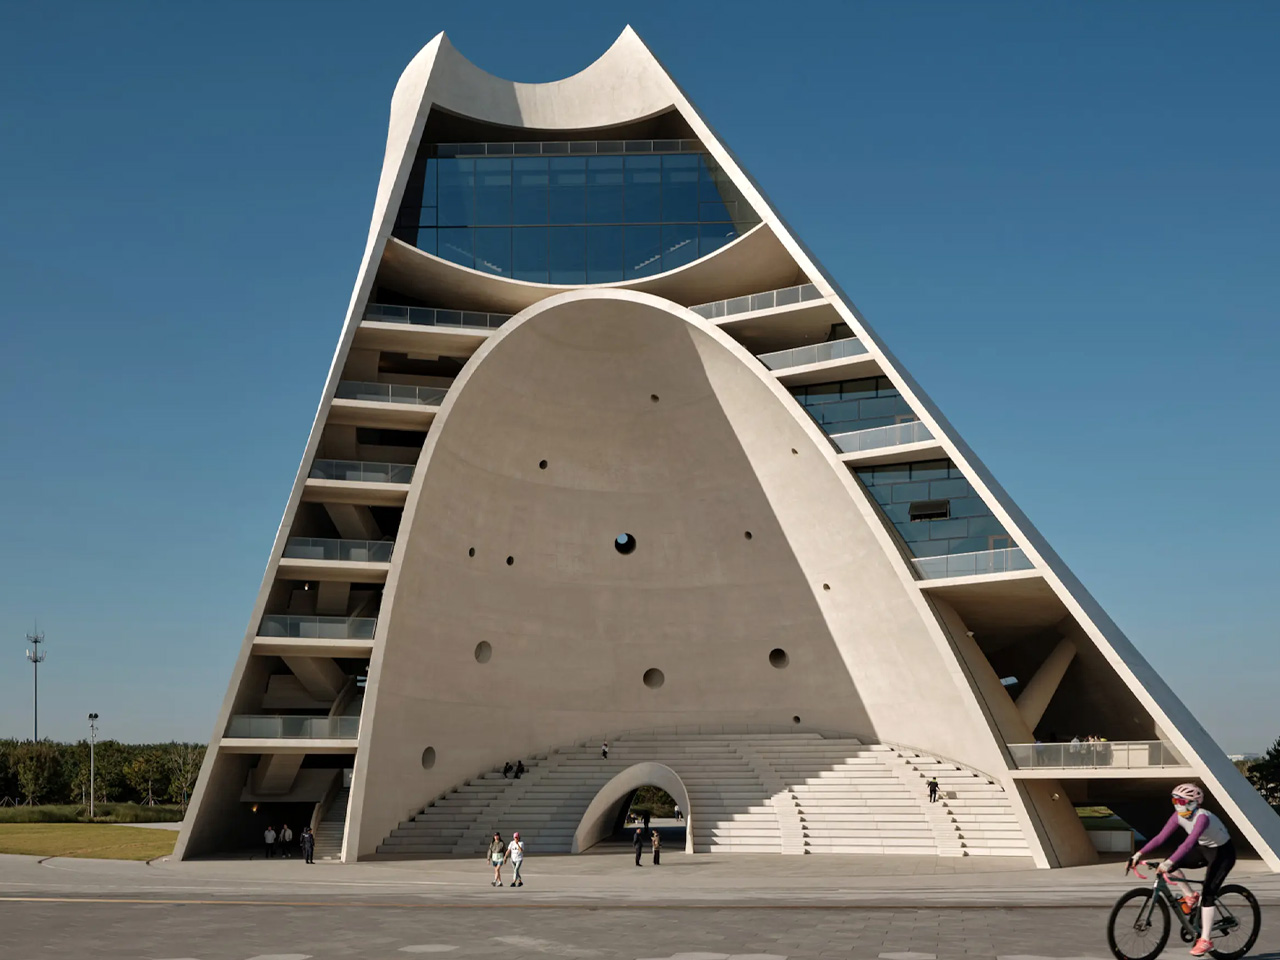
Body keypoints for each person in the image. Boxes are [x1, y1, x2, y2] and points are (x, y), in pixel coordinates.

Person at [1129, 783, 1234, 957]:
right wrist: (1138, 854)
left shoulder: (1202, 817)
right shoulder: (1178, 815)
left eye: (1181, 801)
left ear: (1194, 802)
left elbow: (1188, 843)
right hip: (1203, 849)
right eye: (1174, 800)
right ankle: (1190, 896)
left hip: (1222, 853)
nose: (1177, 805)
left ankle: (1206, 939)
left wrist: (1170, 862)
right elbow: (1160, 837)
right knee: (1168, 867)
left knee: (1208, 893)